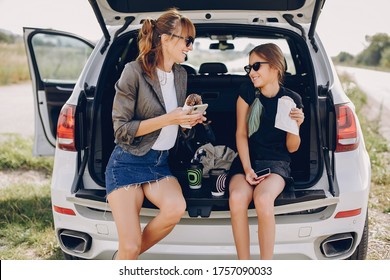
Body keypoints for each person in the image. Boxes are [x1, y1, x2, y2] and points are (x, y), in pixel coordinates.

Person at [105, 8, 205, 260]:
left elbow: (176, 127)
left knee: (176, 207)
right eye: (187, 40)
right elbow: (121, 130)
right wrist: (169, 118)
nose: (190, 47)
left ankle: (126, 257)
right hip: (127, 162)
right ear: (165, 39)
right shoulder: (134, 71)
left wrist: (187, 120)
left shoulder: (181, 75)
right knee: (128, 247)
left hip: (159, 165)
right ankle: (127, 256)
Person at [228, 43, 305, 260]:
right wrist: (247, 168)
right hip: (247, 160)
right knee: (237, 197)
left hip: (276, 163)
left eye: (256, 66)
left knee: (262, 199)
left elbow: (292, 147)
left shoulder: (291, 100)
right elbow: (241, 134)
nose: (251, 73)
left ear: (274, 66)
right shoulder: (246, 94)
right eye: (249, 68)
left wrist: (296, 127)